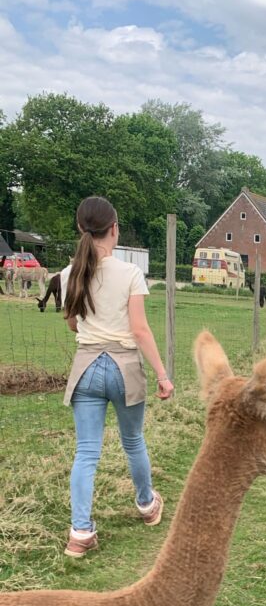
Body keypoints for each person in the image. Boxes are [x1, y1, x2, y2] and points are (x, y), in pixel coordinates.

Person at [61, 196, 173, 558]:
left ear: (81, 229)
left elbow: (72, 323)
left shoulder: (68, 274)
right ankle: (146, 504)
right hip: (124, 367)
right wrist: (162, 375)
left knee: (86, 452)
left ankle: (80, 532)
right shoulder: (130, 274)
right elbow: (140, 331)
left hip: (86, 367)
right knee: (133, 440)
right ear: (114, 228)